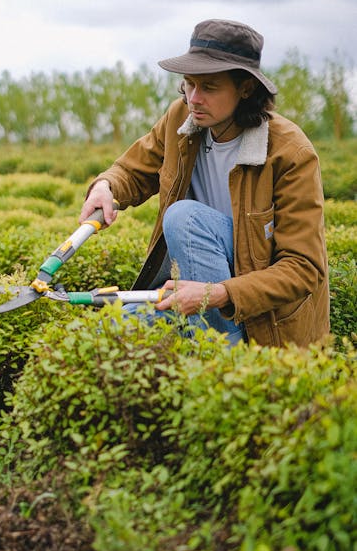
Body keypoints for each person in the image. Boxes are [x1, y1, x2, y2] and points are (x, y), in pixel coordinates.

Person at [79, 18, 330, 347]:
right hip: (193, 291)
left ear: (246, 88)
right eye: (188, 84)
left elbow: (303, 268)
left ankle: (224, 355)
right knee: (108, 331)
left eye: (209, 87)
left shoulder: (290, 152)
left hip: (260, 319)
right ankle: (205, 338)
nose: (194, 98)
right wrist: (106, 187)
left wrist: (218, 293)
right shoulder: (180, 118)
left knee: (185, 217)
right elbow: (134, 169)